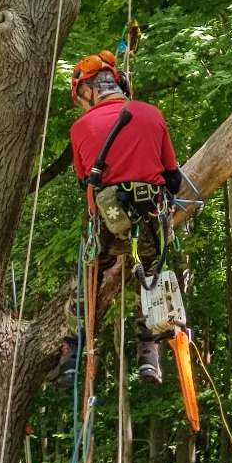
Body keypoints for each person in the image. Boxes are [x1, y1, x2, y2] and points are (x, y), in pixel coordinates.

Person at [57, 50, 184, 385]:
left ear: (89, 91)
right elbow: (173, 179)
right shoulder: (151, 115)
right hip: (150, 217)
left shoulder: (81, 127)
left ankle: (72, 353)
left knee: (87, 275)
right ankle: (149, 353)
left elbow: (85, 178)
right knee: (156, 269)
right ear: (119, 83)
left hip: (105, 222)